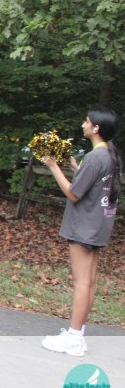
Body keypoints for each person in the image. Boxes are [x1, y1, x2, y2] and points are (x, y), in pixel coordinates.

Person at [41, 107, 121, 356]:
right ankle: (78, 333)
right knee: (90, 281)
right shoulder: (108, 154)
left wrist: (53, 166)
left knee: (81, 282)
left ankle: (74, 338)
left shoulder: (95, 157)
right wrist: (77, 169)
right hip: (99, 225)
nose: (83, 125)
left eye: (87, 122)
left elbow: (74, 193)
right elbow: (92, 184)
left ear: (96, 128)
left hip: (85, 225)